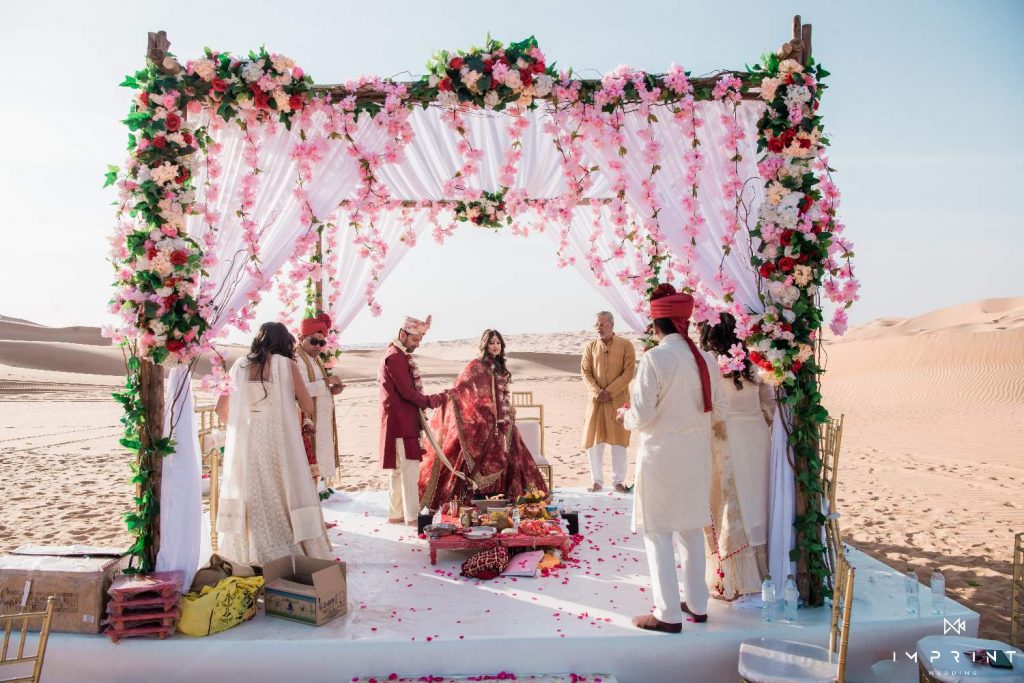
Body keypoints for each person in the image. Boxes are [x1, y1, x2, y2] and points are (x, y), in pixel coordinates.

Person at [619, 285, 728, 633]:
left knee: (658, 533)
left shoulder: (655, 359)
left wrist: (624, 415)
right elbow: (720, 410)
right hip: (696, 459)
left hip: (661, 460)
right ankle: (697, 604)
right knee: (690, 528)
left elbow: (641, 416)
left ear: (657, 324)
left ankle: (667, 614)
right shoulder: (706, 359)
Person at [215, 322, 332, 565]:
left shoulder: (239, 365)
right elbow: (308, 405)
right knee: (285, 488)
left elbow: (220, 408)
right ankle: (287, 551)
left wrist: (241, 429)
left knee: (253, 493)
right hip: (279, 438)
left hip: (248, 439)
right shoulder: (287, 365)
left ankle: (252, 553)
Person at [418, 329, 549, 511]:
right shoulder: (476, 366)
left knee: (512, 454)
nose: (495, 346)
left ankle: (506, 503)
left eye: (498, 343)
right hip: (483, 424)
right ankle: (478, 503)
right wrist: (446, 397)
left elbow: (502, 394)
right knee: (477, 460)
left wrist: (507, 409)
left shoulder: (500, 366)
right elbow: (462, 388)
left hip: (504, 424)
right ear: (485, 345)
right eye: (491, 343)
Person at [699, 313, 774, 599]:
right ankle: (760, 569)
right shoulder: (754, 364)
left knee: (728, 504)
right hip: (756, 440)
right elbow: (770, 407)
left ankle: (731, 576)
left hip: (723, 440)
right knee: (756, 500)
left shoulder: (706, 366)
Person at [379, 315, 448, 525]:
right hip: (401, 422)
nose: (417, 345)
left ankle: (396, 514)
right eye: (415, 340)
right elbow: (408, 392)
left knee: (399, 472)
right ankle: (411, 518)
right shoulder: (395, 357)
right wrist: (432, 400)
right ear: (403, 334)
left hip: (398, 421)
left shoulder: (396, 354)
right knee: (408, 471)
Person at [581, 311, 636, 493]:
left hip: (618, 400)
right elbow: (586, 372)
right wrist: (598, 392)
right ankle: (596, 481)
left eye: (602, 324)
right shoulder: (590, 347)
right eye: (596, 324)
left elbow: (628, 373)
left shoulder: (626, 345)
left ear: (611, 324)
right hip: (596, 401)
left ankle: (618, 481)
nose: (599, 327)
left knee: (619, 441)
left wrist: (610, 392)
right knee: (594, 442)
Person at [296, 312, 344, 487]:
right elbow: (301, 391)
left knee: (318, 470)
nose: (318, 346)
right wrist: (326, 382)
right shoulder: (297, 360)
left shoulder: (315, 361)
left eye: (321, 343)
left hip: (322, 423)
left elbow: (319, 388)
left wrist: (332, 390)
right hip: (307, 423)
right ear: (302, 338)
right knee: (307, 471)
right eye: (313, 341)